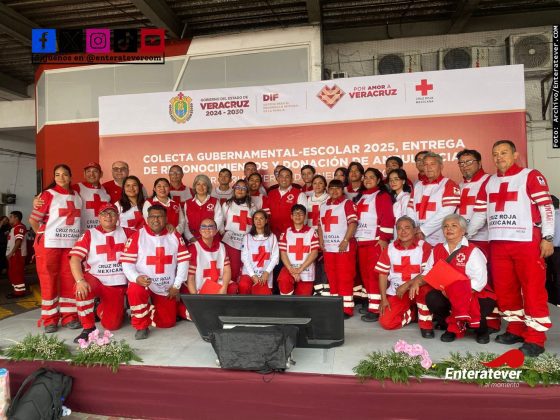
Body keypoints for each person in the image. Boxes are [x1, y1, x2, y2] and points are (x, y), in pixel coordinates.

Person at [468, 140, 554, 356]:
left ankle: (536, 337)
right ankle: (515, 328)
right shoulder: (489, 182)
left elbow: (546, 207)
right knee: (505, 290)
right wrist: (465, 235)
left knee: (533, 290)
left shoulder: (530, 176)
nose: (499, 157)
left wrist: (548, 236)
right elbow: (480, 213)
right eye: (495, 154)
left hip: (527, 241)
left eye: (504, 152)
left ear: (515, 155)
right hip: (498, 243)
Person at [412, 214, 496, 344]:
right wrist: (416, 282)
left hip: (474, 295)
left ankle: (481, 329)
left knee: (474, 305)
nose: (449, 229)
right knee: (432, 298)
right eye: (445, 226)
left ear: (463, 230)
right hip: (447, 293)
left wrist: (454, 292)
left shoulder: (473, 251)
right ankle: (452, 326)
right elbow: (428, 272)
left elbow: (479, 282)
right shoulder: (437, 249)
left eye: (454, 226)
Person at [121, 204, 190, 340]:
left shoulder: (174, 235)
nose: (156, 220)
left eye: (160, 216)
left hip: (166, 286)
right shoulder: (138, 235)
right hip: (144, 283)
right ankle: (141, 325)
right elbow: (127, 263)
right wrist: (136, 278)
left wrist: (176, 285)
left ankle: (147, 310)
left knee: (167, 323)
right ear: (147, 219)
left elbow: (183, 261)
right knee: (135, 289)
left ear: (166, 219)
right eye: (152, 216)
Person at [69, 203, 134, 342]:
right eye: (104, 213)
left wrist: (169, 227)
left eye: (112, 213)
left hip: (117, 283)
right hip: (95, 278)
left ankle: (101, 308)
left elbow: (149, 236)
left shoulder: (128, 232)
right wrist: (80, 281)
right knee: (81, 290)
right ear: (99, 217)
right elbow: (75, 259)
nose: (108, 216)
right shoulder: (89, 234)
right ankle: (88, 327)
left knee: (112, 325)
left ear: (118, 216)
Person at [29, 164, 82, 332]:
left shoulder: (77, 195)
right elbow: (33, 220)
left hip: (70, 244)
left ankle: (69, 316)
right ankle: (49, 319)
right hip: (49, 245)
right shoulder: (48, 194)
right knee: (48, 280)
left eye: (65, 174)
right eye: (57, 175)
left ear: (70, 176)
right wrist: (42, 235)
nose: (61, 178)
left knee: (69, 279)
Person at [375, 216, 433, 337]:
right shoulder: (390, 248)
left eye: (407, 228)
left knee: (426, 289)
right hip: (398, 292)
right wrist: (384, 299)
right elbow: (383, 274)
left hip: (418, 289)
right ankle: (413, 314)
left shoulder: (424, 247)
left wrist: (407, 285)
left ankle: (425, 324)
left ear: (415, 230)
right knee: (386, 322)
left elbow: (428, 273)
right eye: (399, 228)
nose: (403, 231)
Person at [355, 168, 395, 322]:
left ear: (378, 180)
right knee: (365, 274)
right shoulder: (361, 197)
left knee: (374, 275)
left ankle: (376, 309)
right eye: (366, 177)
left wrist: (384, 238)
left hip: (375, 241)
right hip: (361, 241)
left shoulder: (382, 195)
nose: (368, 179)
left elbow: (388, 217)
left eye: (372, 177)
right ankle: (372, 303)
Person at [318, 179, 358, 318]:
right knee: (332, 276)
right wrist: (321, 239)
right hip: (329, 248)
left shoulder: (347, 203)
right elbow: (320, 225)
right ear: (328, 190)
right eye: (332, 188)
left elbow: (353, 223)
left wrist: (346, 240)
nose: (334, 191)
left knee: (345, 277)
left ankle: (346, 309)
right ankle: (335, 306)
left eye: (338, 188)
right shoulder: (323, 205)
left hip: (343, 248)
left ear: (342, 190)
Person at [407, 152, 460, 246]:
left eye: (432, 164)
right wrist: (414, 229)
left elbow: (447, 212)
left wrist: (423, 230)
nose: (428, 167)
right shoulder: (418, 185)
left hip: (439, 239)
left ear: (441, 166)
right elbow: (410, 209)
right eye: (425, 164)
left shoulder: (449, 184)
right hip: (417, 236)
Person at [278, 205, 319, 296]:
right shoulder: (286, 232)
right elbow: (283, 253)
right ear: (291, 216)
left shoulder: (312, 232)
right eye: (295, 214)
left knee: (303, 300)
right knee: (284, 280)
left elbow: (314, 253)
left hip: (307, 270)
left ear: (305, 216)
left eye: (301, 214)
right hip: (289, 268)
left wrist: (300, 269)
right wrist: (292, 270)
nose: (298, 216)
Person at [456, 149, 490, 257]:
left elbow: (482, 214)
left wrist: (465, 235)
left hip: (483, 239)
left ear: (479, 163)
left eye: (469, 162)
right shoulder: (459, 185)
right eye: (461, 163)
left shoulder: (489, 181)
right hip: (460, 239)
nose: (465, 166)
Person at [186, 218, 234, 294]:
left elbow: (227, 270)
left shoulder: (222, 247)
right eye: (203, 227)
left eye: (211, 227)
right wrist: (195, 297)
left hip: (219, 285)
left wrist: (224, 288)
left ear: (216, 231)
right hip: (201, 288)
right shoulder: (193, 248)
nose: (207, 229)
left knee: (233, 287)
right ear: (200, 231)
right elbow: (190, 277)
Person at [221, 179, 255, 285]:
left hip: (246, 243)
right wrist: (223, 233)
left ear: (247, 191)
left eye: (243, 188)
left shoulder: (252, 206)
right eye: (238, 187)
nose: (240, 190)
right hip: (230, 242)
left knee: (245, 268)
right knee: (233, 268)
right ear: (234, 189)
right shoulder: (227, 204)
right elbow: (220, 220)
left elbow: (256, 223)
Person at [239, 210, 279, 295]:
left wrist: (267, 272)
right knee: (244, 285)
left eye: (261, 218)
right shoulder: (247, 237)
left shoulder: (272, 237)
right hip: (249, 273)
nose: (258, 221)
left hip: (265, 274)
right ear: (253, 221)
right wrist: (253, 275)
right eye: (256, 218)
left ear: (266, 220)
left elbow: (275, 257)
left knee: (263, 298)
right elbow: (244, 258)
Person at [267, 167, 307, 238]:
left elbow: (304, 217)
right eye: (281, 176)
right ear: (277, 178)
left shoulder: (300, 194)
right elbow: (267, 215)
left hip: (292, 235)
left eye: (287, 177)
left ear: (292, 179)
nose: (284, 179)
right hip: (273, 235)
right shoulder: (271, 194)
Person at [184, 174, 224, 242]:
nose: (201, 187)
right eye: (198, 184)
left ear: (208, 187)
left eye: (204, 184)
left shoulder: (214, 201)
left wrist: (208, 236)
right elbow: (185, 224)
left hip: (212, 239)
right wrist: (191, 238)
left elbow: (219, 220)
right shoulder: (188, 203)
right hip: (193, 240)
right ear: (195, 186)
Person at [73, 162, 111, 232]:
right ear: (84, 174)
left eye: (95, 171)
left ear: (101, 174)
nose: (91, 174)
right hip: (83, 232)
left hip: (102, 231)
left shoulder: (106, 190)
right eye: (88, 171)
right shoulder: (76, 188)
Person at [5, 211, 28, 298]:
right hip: (14, 255)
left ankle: (19, 293)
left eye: (11, 217)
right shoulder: (14, 228)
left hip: (17, 254)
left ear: (16, 218)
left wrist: (11, 253)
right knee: (13, 273)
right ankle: (16, 291)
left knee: (17, 273)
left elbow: (19, 241)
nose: (9, 218)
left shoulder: (20, 227)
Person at [546, 195, 560, 306]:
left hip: (545, 250)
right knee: (558, 277)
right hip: (558, 251)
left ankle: (549, 301)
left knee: (546, 277)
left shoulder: (546, 218)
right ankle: (558, 302)